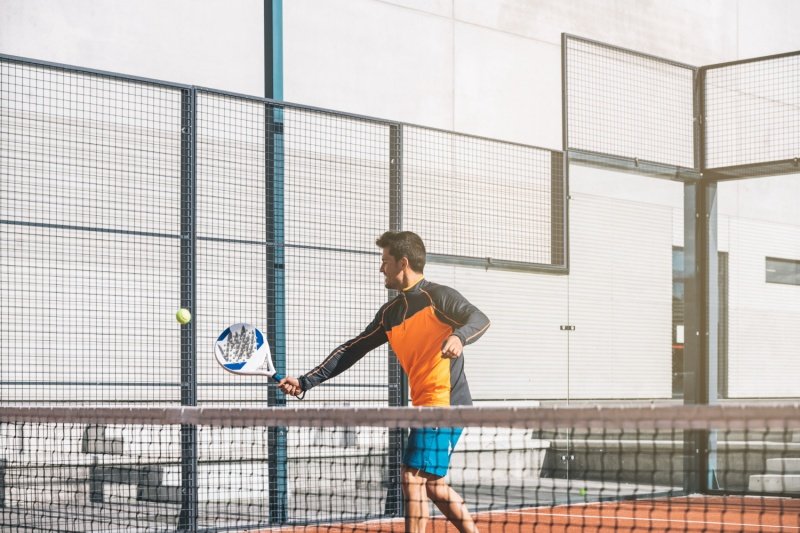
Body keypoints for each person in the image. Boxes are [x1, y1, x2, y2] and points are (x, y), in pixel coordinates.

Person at [279, 230, 490, 533]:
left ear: (403, 263)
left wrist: (459, 336)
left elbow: (479, 318)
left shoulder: (438, 296)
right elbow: (352, 349)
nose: (381, 268)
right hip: (427, 405)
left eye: (385, 261)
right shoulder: (390, 314)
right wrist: (304, 381)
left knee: (412, 477)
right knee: (433, 485)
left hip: (445, 403)